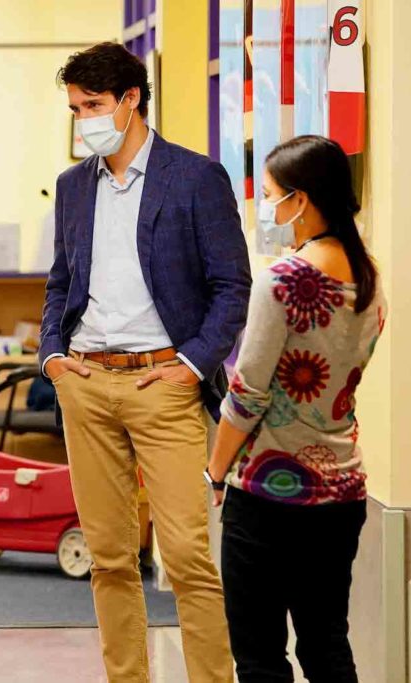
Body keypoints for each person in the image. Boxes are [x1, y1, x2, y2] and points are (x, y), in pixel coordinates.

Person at [40, 42, 251, 682]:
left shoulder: (195, 176)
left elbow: (231, 287)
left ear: (132, 100)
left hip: (165, 383)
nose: (85, 121)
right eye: (76, 109)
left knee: (187, 556)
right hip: (86, 381)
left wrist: (191, 366)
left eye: (94, 106)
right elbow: (59, 282)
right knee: (108, 557)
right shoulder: (75, 185)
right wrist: (52, 355)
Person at [208, 135, 385, 682]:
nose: (268, 207)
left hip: (267, 496)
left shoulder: (284, 280)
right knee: (327, 642)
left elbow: (248, 395)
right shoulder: (369, 277)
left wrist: (216, 472)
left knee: (260, 655)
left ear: (301, 201)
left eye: (270, 194)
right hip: (341, 492)